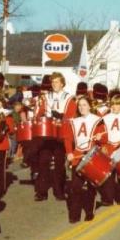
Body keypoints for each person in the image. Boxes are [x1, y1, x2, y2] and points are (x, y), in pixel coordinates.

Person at [33, 72, 77, 201]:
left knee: (59, 164)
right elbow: (39, 113)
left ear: (62, 83)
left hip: (61, 134)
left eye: (57, 82)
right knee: (43, 162)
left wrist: (61, 116)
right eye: (52, 82)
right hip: (47, 134)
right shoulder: (46, 97)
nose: (54, 84)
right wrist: (39, 113)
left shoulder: (69, 98)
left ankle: (59, 191)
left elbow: (72, 116)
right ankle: (42, 192)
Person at [64, 96, 105, 223]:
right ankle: (74, 215)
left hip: (92, 156)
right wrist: (69, 153)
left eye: (84, 105)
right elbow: (68, 139)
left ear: (90, 106)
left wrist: (100, 138)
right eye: (80, 105)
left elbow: (105, 137)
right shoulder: (74, 121)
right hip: (77, 156)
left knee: (90, 187)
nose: (82, 107)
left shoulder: (98, 120)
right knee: (75, 187)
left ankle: (89, 211)